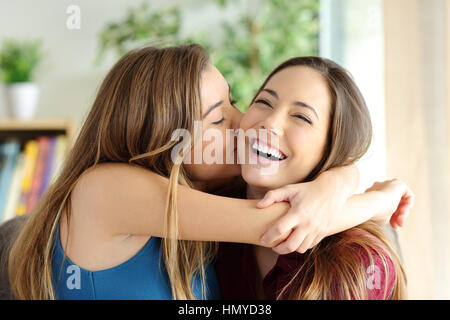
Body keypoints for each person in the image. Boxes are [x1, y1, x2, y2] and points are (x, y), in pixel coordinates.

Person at [8, 44, 412, 300]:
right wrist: (382, 197)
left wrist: (340, 177)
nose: (245, 122)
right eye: (219, 118)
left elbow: (314, 162)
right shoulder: (106, 190)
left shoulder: (208, 205)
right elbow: (287, 221)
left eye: (236, 101)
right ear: (168, 141)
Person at [217, 56, 411, 299]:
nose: (270, 123)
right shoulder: (213, 199)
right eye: (264, 101)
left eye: (302, 117)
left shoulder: (358, 263)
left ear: (331, 149)